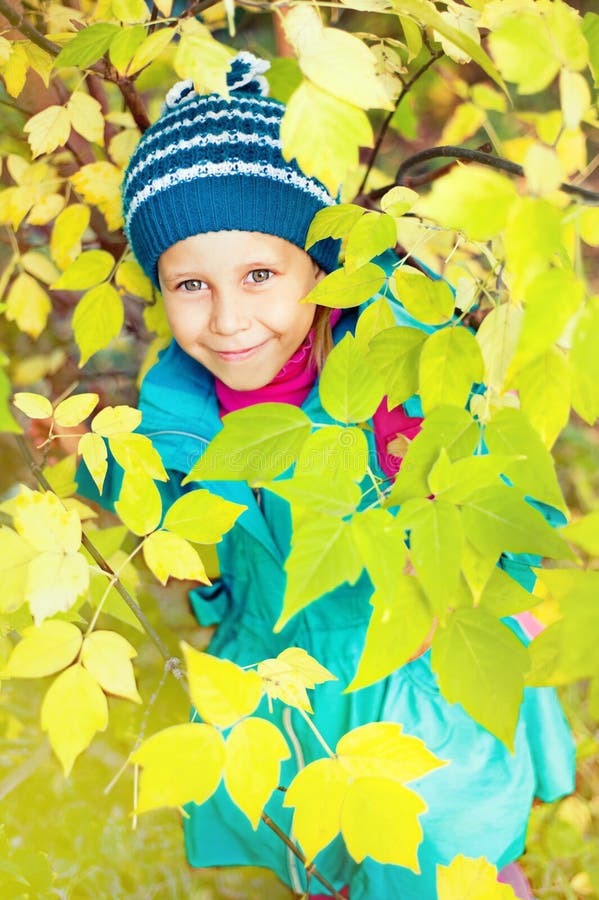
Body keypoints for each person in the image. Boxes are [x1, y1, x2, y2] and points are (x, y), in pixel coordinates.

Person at [80, 51, 575, 899]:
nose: (230, 319)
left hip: (418, 674)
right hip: (288, 682)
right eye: (190, 284)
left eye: (261, 275)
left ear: (324, 267)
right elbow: (174, 532)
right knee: (324, 857)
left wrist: (478, 567)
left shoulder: (410, 367)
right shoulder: (171, 415)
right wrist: (105, 468)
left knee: (455, 855)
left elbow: (509, 509)